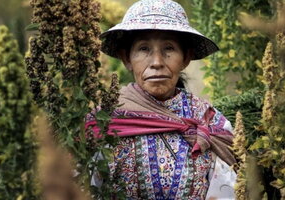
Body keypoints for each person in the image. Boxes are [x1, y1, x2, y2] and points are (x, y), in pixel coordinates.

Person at [86, 0, 237, 199]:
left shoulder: (209, 121)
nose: (157, 62)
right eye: (143, 49)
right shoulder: (104, 121)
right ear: (126, 59)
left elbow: (229, 189)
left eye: (169, 48)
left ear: (186, 58)